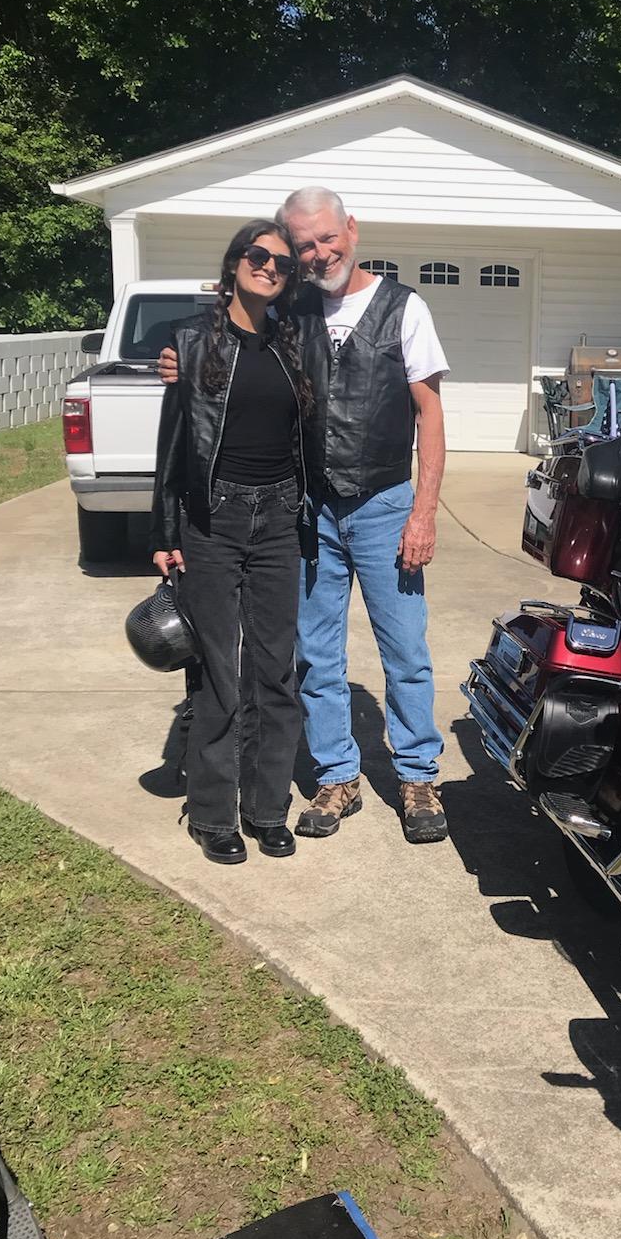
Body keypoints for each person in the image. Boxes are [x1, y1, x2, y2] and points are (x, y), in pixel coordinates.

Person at [158, 186, 451, 845]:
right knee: (315, 654)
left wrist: (424, 512)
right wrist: (180, 350)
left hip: (384, 504)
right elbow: (228, 326)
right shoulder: (291, 309)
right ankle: (337, 775)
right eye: (305, 245)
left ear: (352, 228)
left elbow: (430, 413)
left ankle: (416, 776)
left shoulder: (405, 308)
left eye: (328, 238)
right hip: (307, 509)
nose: (319, 253)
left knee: (404, 649)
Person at [152, 220, 316, 865]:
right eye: (257, 254)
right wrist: (164, 531)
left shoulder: (295, 342)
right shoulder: (190, 341)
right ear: (234, 262)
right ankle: (213, 814)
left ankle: (267, 809)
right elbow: (172, 441)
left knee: (275, 671)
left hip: (279, 517)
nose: (269, 266)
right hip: (212, 518)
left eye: (282, 262)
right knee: (219, 672)